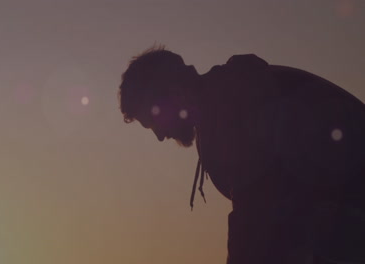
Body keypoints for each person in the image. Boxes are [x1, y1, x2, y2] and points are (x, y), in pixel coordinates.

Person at [118, 46, 365, 264]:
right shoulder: (227, 97)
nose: (160, 136)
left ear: (170, 92)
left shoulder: (233, 102)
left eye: (152, 121)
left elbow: (256, 223)